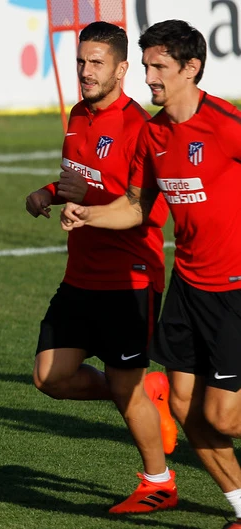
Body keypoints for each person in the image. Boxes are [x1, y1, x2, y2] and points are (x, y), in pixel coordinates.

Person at [61, 19, 241, 528]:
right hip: (188, 287)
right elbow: (137, 205)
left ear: (192, 68)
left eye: (159, 67)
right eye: (145, 66)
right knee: (186, 409)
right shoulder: (154, 133)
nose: (149, 77)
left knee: (224, 416)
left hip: (234, 288)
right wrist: (89, 213)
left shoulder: (226, 124)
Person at [25, 21, 178, 513]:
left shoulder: (142, 129)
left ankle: (159, 483)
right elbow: (78, 180)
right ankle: (142, 389)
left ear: (121, 69)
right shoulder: (76, 115)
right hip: (80, 275)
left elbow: (143, 210)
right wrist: (49, 194)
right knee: (49, 376)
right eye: (80, 62)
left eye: (96, 63)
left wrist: (88, 212)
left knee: (121, 381)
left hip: (128, 277)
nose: (85, 72)